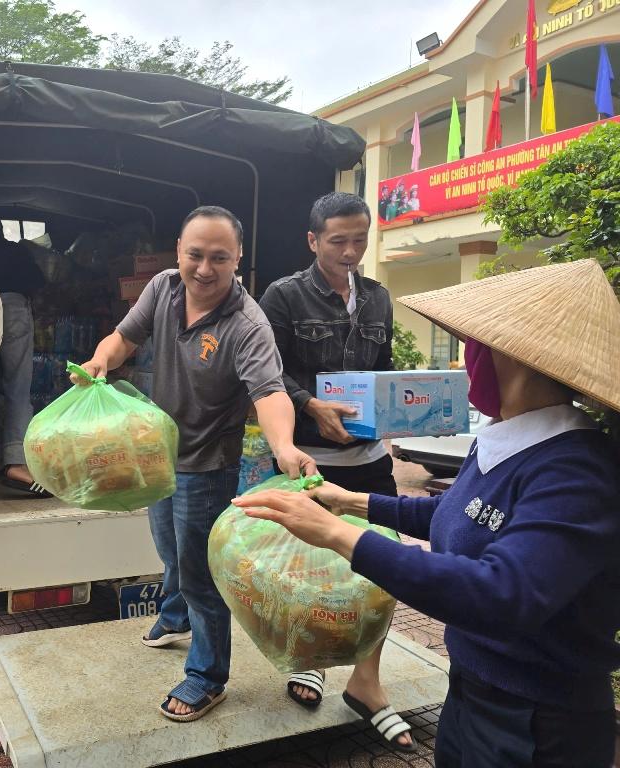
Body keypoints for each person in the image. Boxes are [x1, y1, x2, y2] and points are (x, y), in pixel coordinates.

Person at [234, 259, 620, 767]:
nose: (468, 358)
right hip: (470, 690)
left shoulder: (575, 470)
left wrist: (337, 535)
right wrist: (346, 501)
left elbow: (503, 593)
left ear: (512, 357)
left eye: (475, 345)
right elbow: (456, 513)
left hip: (535, 720)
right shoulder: (506, 440)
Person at [72, 205, 317, 721]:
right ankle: (174, 614)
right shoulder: (163, 288)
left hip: (207, 465)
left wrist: (284, 447)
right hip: (157, 454)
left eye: (219, 258)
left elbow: (270, 392)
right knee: (169, 549)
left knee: (202, 573)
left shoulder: (248, 324)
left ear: (238, 258)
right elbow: (123, 338)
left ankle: (207, 676)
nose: (205, 269)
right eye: (196, 255)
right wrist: (100, 360)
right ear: (180, 252)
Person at [257, 191, 412, 752]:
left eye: (359, 240)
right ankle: (313, 660)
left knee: (384, 567)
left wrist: (408, 410)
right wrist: (310, 405)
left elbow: (382, 372)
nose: (350, 252)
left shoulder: (378, 298)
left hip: (370, 462)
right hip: (309, 461)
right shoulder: (284, 295)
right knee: (313, 570)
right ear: (313, 240)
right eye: (337, 241)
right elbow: (267, 372)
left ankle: (366, 681)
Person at [0, 215, 48, 496]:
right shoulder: (15, 251)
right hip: (12, 308)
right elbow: (39, 282)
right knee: (17, 387)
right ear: (0, 230)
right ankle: (16, 462)